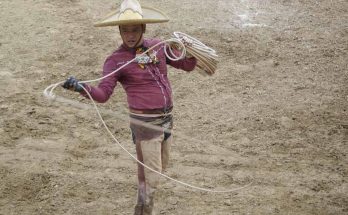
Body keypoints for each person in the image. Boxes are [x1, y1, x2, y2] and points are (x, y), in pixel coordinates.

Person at [62, 0, 197, 214]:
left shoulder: (159, 47)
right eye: (125, 31)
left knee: (157, 171)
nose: (130, 35)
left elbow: (188, 65)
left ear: (143, 28)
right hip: (144, 124)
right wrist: (81, 88)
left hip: (166, 120)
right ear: (119, 31)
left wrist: (190, 50)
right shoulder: (115, 60)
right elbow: (103, 94)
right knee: (150, 177)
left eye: (134, 30)